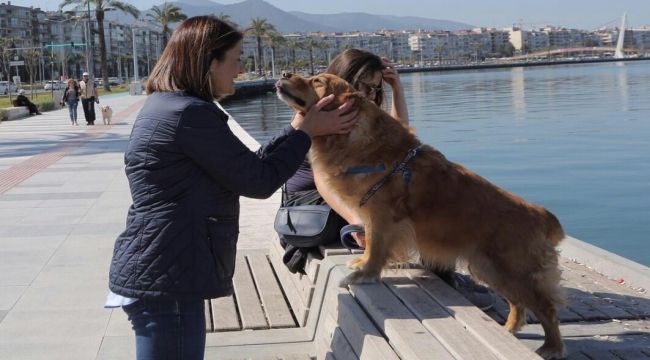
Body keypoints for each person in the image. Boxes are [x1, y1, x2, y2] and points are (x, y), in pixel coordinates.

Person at [106, 16, 356, 360]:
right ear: (211, 61)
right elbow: (258, 181)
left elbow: (244, 167)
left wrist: (298, 126)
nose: (240, 70)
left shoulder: (170, 105)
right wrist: (305, 133)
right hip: (169, 275)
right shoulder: (190, 114)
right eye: (236, 59)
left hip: (165, 266)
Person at [281, 48, 495, 310]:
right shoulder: (318, 114)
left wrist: (397, 90)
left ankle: (444, 273)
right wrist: (358, 221)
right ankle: (445, 277)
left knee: (419, 196)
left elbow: (400, 142)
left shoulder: (353, 113)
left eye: (374, 88)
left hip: (344, 201)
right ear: (344, 78)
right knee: (406, 204)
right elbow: (324, 179)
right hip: (314, 207)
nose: (369, 94)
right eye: (363, 86)